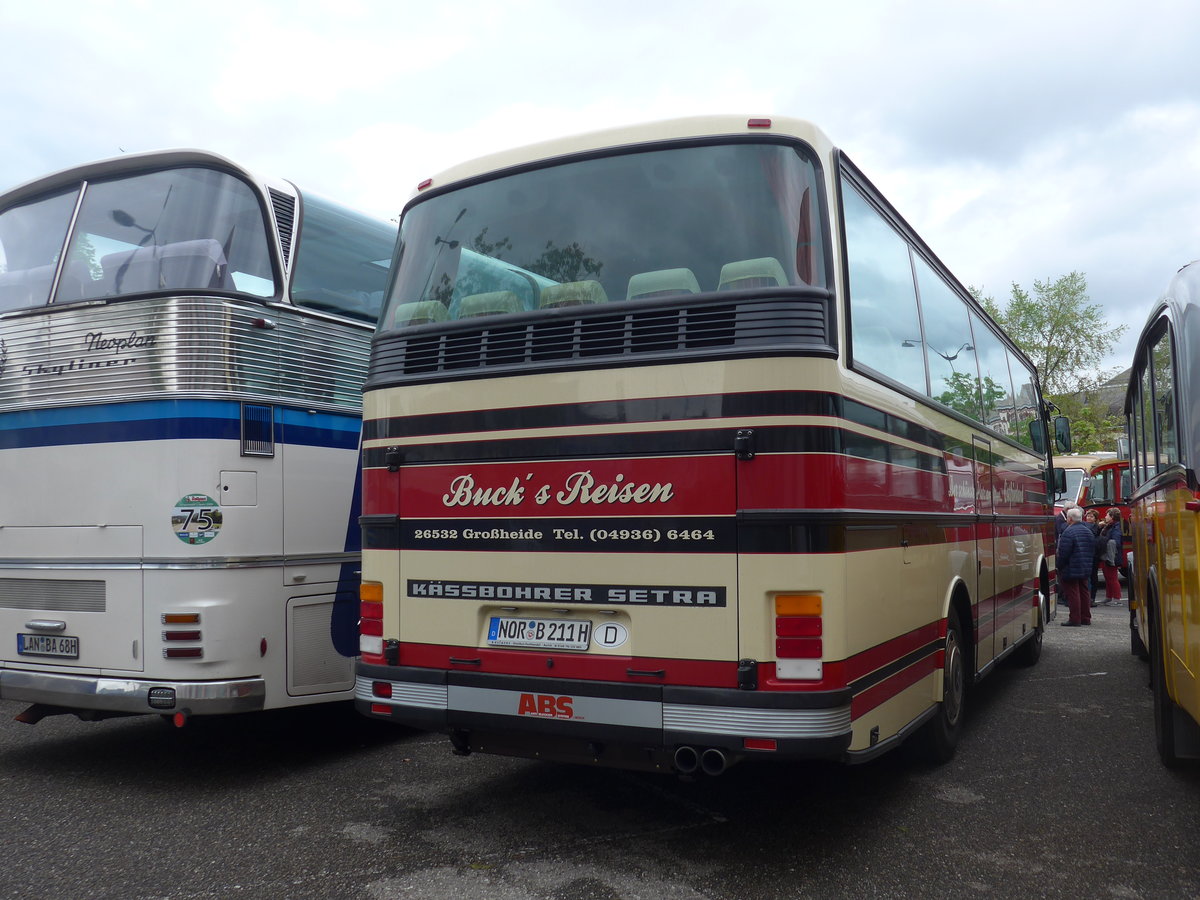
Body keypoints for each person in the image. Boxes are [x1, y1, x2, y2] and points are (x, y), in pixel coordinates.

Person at [1056, 506, 1094, 626]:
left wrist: (1059, 566)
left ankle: (1075, 618)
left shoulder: (1068, 532)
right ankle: (1086, 618)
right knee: (1084, 591)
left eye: (1067, 517)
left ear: (1070, 519)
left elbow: (1064, 552)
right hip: (1085, 565)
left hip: (1071, 566)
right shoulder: (1088, 531)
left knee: (1073, 593)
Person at [1096, 507, 1124, 606]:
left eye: (1107, 515)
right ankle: (1109, 597)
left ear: (1112, 517)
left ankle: (1117, 599)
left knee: (1112, 578)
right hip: (1106, 555)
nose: (1105, 517)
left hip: (1111, 556)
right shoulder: (1109, 526)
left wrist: (1104, 540)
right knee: (1108, 578)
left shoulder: (1115, 528)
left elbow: (1115, 541)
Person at [1083, 508, 1102, 603]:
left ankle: (1092, 597)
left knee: (1093, 576)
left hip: (1094, 555)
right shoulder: (1089, 526)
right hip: (1091, 554)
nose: (1089, 518)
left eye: (1091, 516)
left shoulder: (1095, 527)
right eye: (1088, 516)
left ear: (1095, 518)